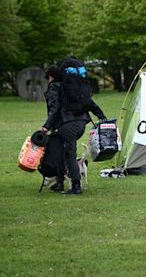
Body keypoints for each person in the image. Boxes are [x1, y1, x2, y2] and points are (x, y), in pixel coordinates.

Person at [42, 60, 107, 195]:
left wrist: (46, 127)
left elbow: (54, 109)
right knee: (61, 151)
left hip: (67, 125)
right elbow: (90, 102)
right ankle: (59, 183)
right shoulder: (72, 87)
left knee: (69, 155)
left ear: (51, 77)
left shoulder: (56, 87)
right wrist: (101, 116)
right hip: (81, 124)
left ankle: (76, 186)